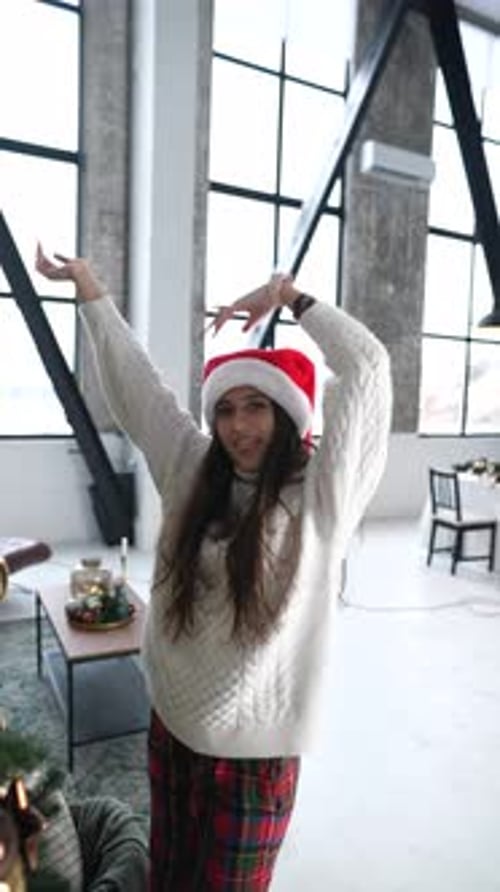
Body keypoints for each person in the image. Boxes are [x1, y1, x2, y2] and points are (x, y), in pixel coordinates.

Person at [36, 244, 392, 891]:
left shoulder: (320, 493)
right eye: (225, 409)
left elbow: (367, 366)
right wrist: (88, 287)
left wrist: (287, 296)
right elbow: (138, 388)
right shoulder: (193, 467)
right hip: (171, 725)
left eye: (257, 406)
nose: (238, 426)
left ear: (287, 413)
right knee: (167, 874)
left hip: (254, 760)